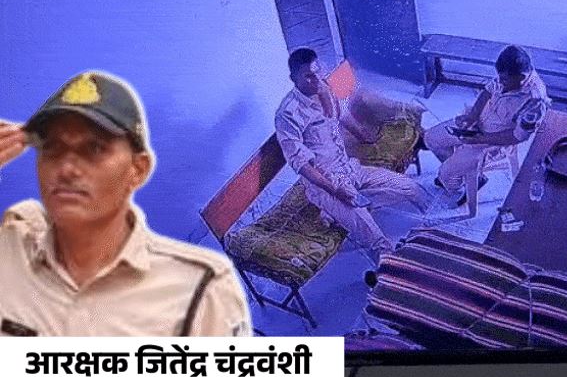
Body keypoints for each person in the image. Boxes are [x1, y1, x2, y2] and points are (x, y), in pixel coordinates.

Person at [0, 71, 251, 336]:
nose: (67, 169)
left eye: (94, 149)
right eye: (52, 148)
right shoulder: (11, 254)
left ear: (138, 169)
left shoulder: (200, 292)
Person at [275, 49, 429, 264]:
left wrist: (367, 137)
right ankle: (390, 271)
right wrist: (335, 191)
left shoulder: (325, 88)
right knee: (378, 240)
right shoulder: (288, 114)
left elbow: (343, 116)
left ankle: (340, 213)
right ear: (293, 78)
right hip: (326, 183)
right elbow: (301, 165)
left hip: (350, 168)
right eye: (308, 76)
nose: (316, 79)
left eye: (318, 72)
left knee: (411, 188)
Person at [423, 45, 551, 218]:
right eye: (500, 78)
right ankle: (468, 176)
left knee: (445, 174)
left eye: (505, 80)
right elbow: (487, 91)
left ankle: (459, 185)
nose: (501, 82)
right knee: (431, 138)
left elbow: (516, 137)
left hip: (493, 142)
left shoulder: (535, 102)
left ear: (521, 77)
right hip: (476, 126)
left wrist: (480, 139)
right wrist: (472, 116)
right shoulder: (507, 75)